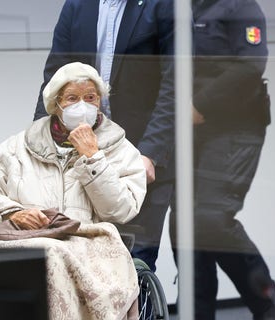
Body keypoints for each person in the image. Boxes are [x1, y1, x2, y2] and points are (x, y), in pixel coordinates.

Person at [0, 62, 146, 320]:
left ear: (100, 103)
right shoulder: (17, 146)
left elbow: (121, 209)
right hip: (22, 237)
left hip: (87, 242)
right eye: (72, 98)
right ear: (56, 105)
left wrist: (93, 159)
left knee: (48, 255)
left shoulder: (122, 151)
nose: (82, 105)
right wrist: (13, 213)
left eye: (90, 97)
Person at [33, 0, 175, 272]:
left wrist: (151, 153)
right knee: (83, 262)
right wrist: (38, 140)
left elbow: (175, 85)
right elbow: (54, 81)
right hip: (83, 154)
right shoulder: (77, 6)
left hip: (141, 155)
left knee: (134, 264)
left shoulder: (165, 5)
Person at [169, 0, 275, 318]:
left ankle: (268, 308)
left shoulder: (241, 7)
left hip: (235, 126)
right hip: (188, 131)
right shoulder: (180, 8)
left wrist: (199, 104)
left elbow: (250, 66)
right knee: (184, 227)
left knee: (210, 220)